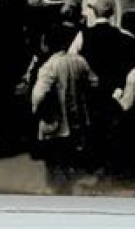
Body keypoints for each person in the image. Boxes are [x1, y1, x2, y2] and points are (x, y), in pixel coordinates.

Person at [30, 22, 96, 196]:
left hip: (56, 125)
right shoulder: (80, 61)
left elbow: (38, 95)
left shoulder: (49, 66)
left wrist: (38, 111)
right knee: (71, 166)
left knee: (54, 169)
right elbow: (94, 83)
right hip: (77, 123)